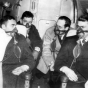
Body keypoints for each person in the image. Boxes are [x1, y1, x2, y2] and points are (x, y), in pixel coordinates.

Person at [0, 15, 35, 88]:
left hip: (12, 71)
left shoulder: (20, 38)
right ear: (3, 27)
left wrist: (23, 67)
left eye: (15, 25)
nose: (15, 28)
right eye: (12, 25)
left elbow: (30, 59)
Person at [54, 14, 88, 88]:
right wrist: (66, 69)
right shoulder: (70, 41)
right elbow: (58, 63)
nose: (79, 30)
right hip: (71, 79)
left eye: (82, 27)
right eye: (78, 27)